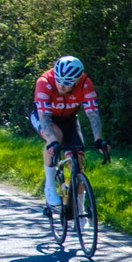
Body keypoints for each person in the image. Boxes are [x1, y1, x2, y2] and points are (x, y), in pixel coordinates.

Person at [30, 55, 110, 209]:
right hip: (44, 117)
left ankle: (79, 210)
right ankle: (49, 187)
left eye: (67, 83)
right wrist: (52, 141)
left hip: (69, 119)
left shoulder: (85, 84)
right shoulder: (44, 82)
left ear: (77, 80)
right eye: (59, 80)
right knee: (56, 137)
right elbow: (44, 116)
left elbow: (93, 114)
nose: (61, 86)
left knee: (78, 166)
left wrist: (99, 139)